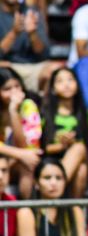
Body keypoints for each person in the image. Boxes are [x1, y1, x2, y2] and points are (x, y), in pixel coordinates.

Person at [0, 0, 54, 94]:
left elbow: (44, 54)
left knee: (54, 71)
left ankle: (46, 112)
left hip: (33, 67)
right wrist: (14, 33)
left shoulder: (32, 12)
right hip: (7, 67)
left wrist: (32, 33)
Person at [40, 68, 88, 197]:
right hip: (50, 161)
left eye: (70, 79)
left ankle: (55, 189)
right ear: (52, 88)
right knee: (81, 170)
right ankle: (71, 208)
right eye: (60, 81)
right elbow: (42, 149)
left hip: (80, 158)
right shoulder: (45, 114)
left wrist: (72, 143)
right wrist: (62, 145)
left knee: (80, 152)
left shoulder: (86, 114)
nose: (66, 84)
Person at [0, 69, 41, 197]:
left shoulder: (28, 106)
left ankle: (26, 211)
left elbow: (26, 147)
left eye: (17, 86)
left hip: (14, 165)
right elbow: (24, 152)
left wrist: (13, 111)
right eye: (7, 89)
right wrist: (20, 154)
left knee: (27, 165)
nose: (14, 93)